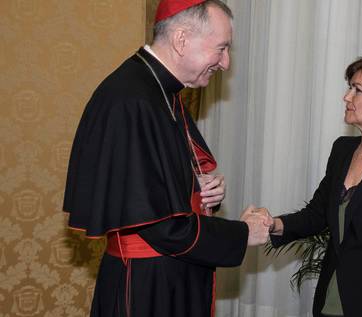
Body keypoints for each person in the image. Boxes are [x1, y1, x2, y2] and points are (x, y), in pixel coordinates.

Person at [63, 1, 270, 316]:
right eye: (222, 48)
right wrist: (243, 233)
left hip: (166, 274)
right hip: (148, 287)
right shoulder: (133, 99)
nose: (226, 63)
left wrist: (192, 187)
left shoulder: (156, 88)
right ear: (182, 40)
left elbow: (146, 185)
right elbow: (161, 227)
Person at [248, 55, 362, 317]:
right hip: (331, 301)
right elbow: (316, 214)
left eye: (357, 90)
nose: (346, 97)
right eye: (349, 88)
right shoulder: (342, 150)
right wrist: (273, 224)